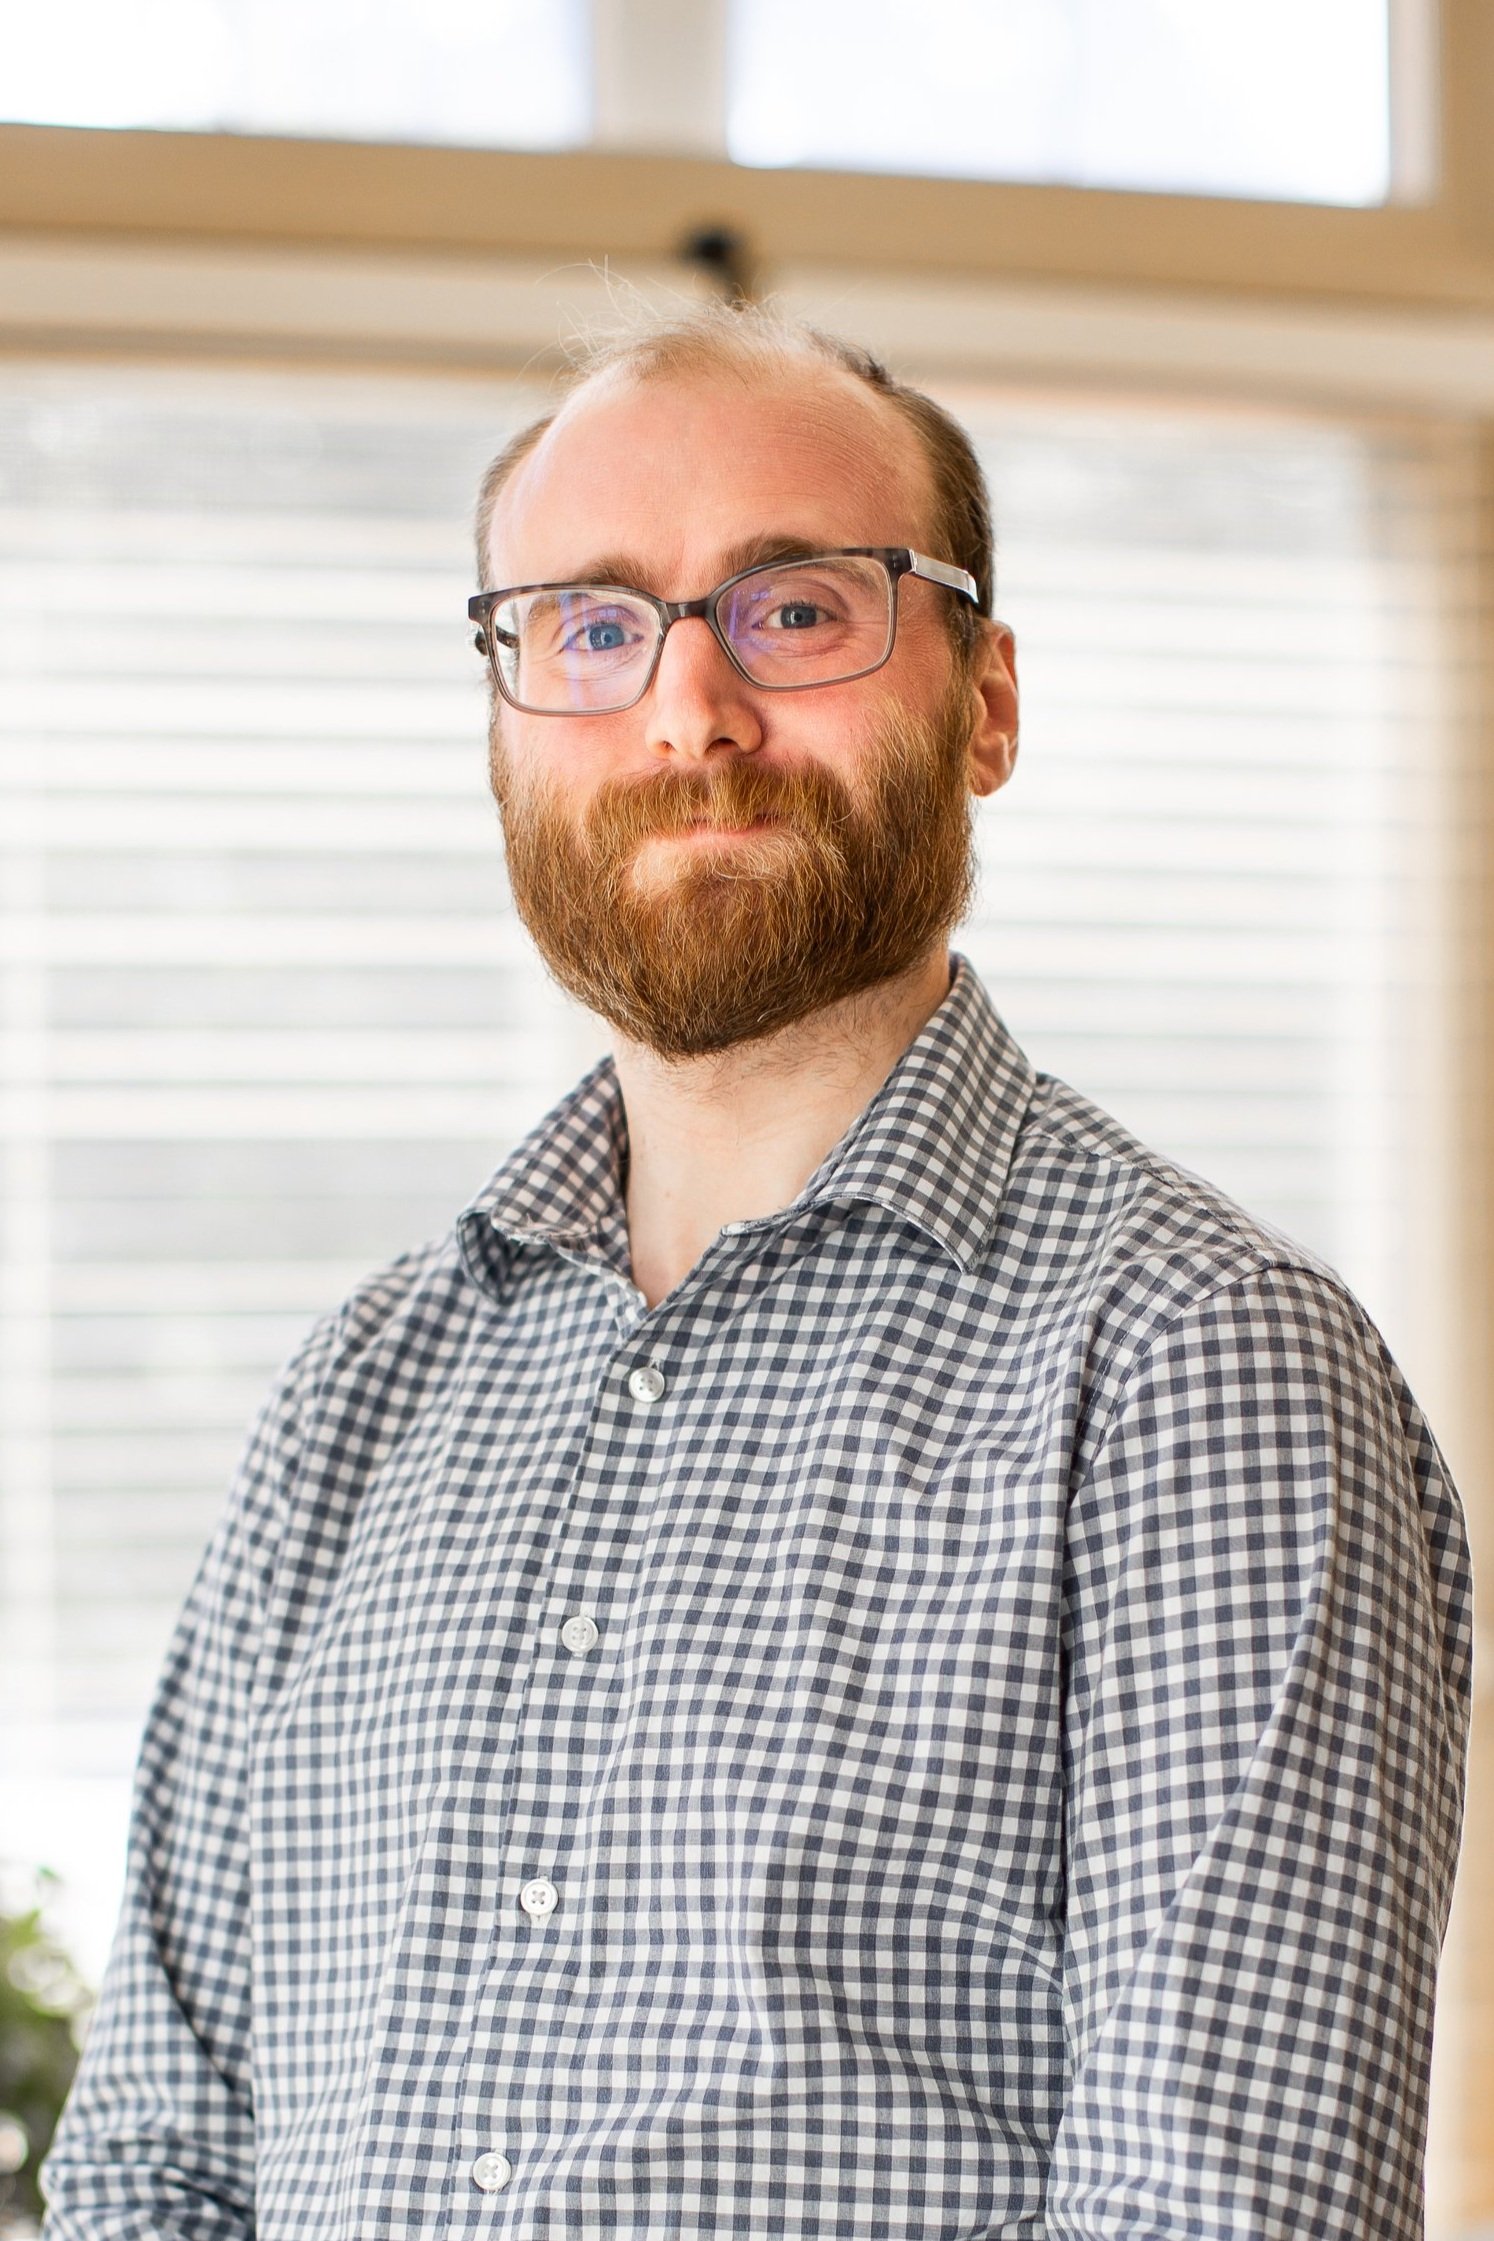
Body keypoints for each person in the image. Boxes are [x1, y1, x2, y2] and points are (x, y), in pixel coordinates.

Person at [44, 304, 1470, 2241]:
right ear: (505, 723)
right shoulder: (359, 1393)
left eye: (795, 610)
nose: (689, 712)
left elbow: (1219, 2215)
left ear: (985, 705)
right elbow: (158, 2162)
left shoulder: (1201, 1368)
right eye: (592, 626)